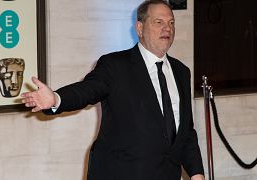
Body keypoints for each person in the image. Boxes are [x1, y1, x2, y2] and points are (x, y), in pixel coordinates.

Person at [21, 0, 205, 179]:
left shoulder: (181, 72)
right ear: (139, 28)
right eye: (159, 22)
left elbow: (186, 131)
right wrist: (56, 98)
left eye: (171, 22)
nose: (167, 28)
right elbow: (87, 90)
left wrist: (197, 173)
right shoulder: (115, 65)